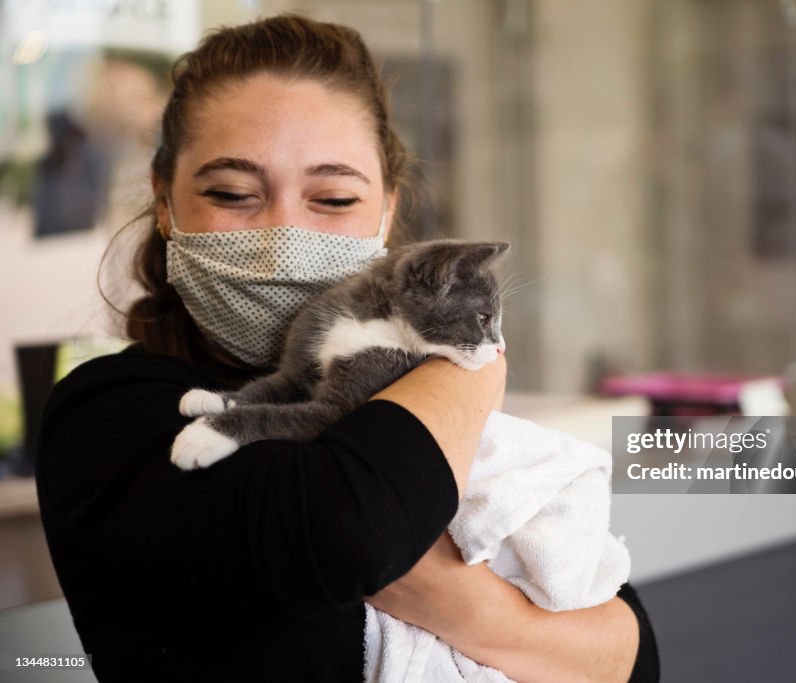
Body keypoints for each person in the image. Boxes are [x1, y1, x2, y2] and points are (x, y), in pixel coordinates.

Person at [35, 14, 659, 682]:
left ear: (386, 214)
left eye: (332, 198)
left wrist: (476, 614)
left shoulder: (411, 389)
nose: (282, 233)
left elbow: (630, 652)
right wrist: (471, 373)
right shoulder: (113, 414)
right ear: (164, 202)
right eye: (232, 193)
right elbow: (347, 535)